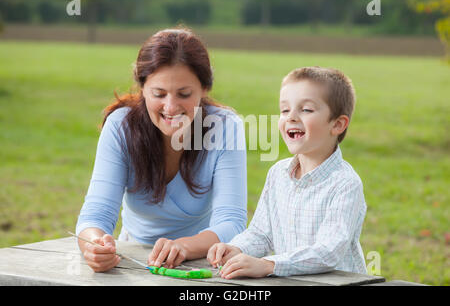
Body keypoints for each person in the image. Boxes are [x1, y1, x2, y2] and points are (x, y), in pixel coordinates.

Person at [75, 28, 247, 273]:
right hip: (133, 263)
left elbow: (232, 222)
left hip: (200, 264)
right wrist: (93, 244)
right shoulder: (121, 126)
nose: (170, 106)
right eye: (159, 94)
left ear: (204, 89)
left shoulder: (225, 127)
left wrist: (184, 247)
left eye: (184, 94)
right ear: (142, 88)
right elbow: (96, 214)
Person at [207, 66, 367, 279]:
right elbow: (262, 234)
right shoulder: (278, 174)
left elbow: (329, 251)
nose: (291, 117)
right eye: (284, 110)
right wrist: (236, 248)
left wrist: (268, 265)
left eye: (306, 110)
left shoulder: (345, 183)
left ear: (337, 124)